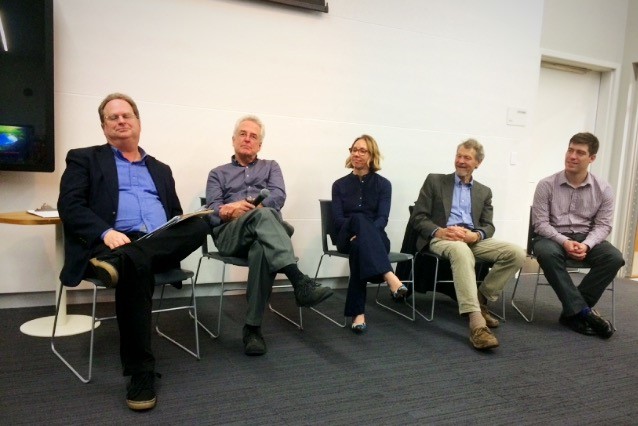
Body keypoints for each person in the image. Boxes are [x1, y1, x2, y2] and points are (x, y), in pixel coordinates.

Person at [58, 93, 211, 411]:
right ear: (103, 127)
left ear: (138, 122)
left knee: (202, 221)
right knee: (135, 268)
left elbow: (175, 212)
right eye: (112, 117)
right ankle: (141, 374)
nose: (121, 121)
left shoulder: (161, 168)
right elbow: (69, 207)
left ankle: (122, 262)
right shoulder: (84, 159)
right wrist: (106, 231)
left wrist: (182, 222)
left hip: (154, 243)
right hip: (110, 242)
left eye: (126, 115)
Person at [205, 115, 333, 356]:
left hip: (260, 235)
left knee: (262, 246)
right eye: (243, 134)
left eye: (253, 136)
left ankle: (252, 329)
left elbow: (278, 197)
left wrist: (254, 208)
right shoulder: (217, 173)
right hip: (231, 235)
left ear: (260, 145)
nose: (247, 139)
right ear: (233, 140)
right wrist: (231, 210)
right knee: (267, 219)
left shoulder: (271, 166)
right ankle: (298, 280)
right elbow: (211, 210)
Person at [410, 139, 525, 350]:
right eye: (459, 156)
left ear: (478, 163)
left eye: (467, 158)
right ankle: (477, 324)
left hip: (471, 239)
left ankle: (480, 299)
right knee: (461, 250)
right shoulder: (435, 181)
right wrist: (441, 231)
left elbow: (489, 226)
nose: (461, 161)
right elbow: (418, 218)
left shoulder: (484, 191)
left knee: (517, 253)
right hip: (441, 238)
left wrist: (477, 235)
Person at [532, 132, 624, 338]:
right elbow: (540, 224)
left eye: (580, 153)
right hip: (552, 238)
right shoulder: (546, 185)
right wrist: (565, 242)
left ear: (592, 158)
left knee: (614, 257)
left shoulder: (604, 189)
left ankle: (571, 312)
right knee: (545, 253)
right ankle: (583, 312)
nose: (572, 156)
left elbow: (603, 225)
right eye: (570, 150)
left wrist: (588, 244)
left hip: (586, 237)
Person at [331, 135, 408, 333]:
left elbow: (383, 218)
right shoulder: (339, 185)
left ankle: (358, 314)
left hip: (375, 238)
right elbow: (338, 220)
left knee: (360, 246)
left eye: (362, 150)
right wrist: (357, 229)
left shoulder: (384, 185)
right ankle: (389, 275)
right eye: (353, 149)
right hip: (346, 237)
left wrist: (364, 235)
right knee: (357, 218)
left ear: (372, 154)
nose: (356, 153)